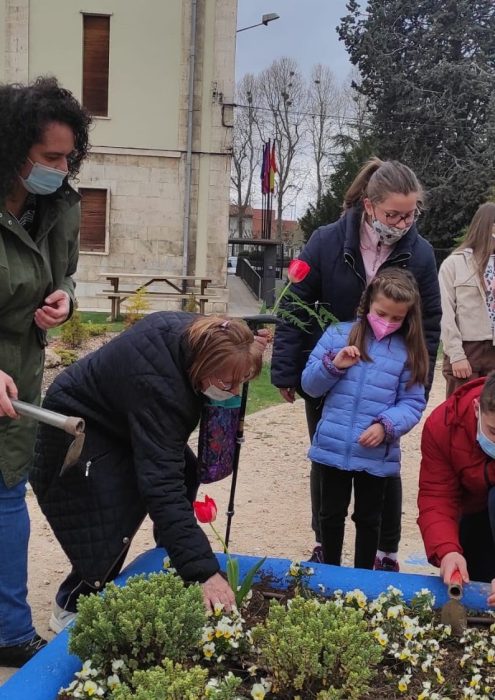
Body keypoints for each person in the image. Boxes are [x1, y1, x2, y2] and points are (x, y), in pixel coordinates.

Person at [30, 312, 267, 633]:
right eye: (228, 382)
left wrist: (248, 351)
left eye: (242, 382)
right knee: (113, 513)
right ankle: (72, 604)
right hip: (80, 422)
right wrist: (202, 571)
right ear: (202, 365)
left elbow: (233, 339)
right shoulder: (161, 386)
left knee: (185, 472)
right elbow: (161, 486)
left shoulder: (200, 336)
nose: (236, 392)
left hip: (120, 418)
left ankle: (170, 561)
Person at [271, 157, 441, 569]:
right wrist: (285, 368)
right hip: (332, 368)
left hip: (389, 373)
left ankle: (384, 550)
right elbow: (294, 302)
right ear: (369, 206)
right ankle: (323, 542)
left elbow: (430, 322)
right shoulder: (328, 241)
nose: (402, 223)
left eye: (409, 214)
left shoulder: (419, 254)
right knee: (327, 456)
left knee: (383, 463)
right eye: (392, 214)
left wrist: (421, 375)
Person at [0, 77, 91, 667]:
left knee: (8, 501)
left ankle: (9, 630)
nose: (60, 169)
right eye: (49, 157)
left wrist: (64, 299)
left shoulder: (58, 205)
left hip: (20, 377)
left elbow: (68, 274)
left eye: (68, 157)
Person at [301, 269, 428, 569]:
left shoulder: (409, 352)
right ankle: (329, 574)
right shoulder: (336, 335)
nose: (387, 322)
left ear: (408, 317)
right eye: (381, 313)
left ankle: (363, 579)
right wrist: (334, 365)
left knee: (370, 520)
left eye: (396, 318)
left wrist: (385, 426)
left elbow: (412, 403)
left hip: (375, 455)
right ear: (368, 302)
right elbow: (309, 385)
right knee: (329, 515)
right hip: (332, 449)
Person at [418, 371, 495, 604]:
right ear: (476, 409)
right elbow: (437, 495)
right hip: (469, 512)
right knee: (474, 584)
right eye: (493, 432)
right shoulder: (443, 425)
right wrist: (447, 550)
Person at [439, 202, 495, 398]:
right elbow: (445, 312)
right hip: (468, 349)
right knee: (463, 414)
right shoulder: (454, 264)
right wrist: (456, 355)